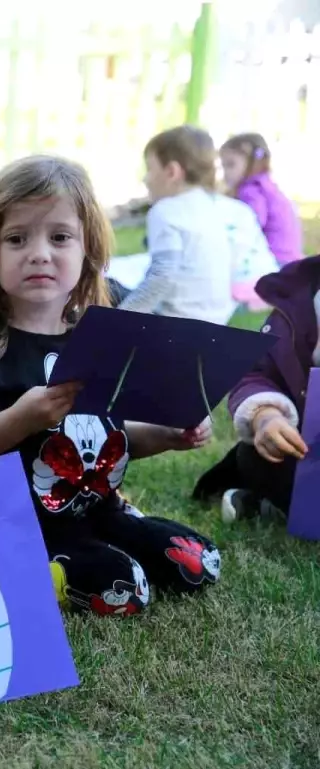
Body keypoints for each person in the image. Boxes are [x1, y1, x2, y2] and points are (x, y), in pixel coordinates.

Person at [0, 155, 221, 619]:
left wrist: (167, 435)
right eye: (17, 239)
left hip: (99, 509)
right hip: (21, 523)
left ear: (86, 249)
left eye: (59, 237)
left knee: (199, 562)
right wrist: (21, 419)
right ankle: (26, 569)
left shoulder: (98, 335)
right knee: (124, 589)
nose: (40, 253)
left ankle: (106, 541)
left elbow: (104, 435)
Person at [193, 254, 320, 523]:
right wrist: (266, 415)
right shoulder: (300, 302)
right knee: (258, 457)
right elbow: (258, 372)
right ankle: (283, 504)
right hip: (310, 456)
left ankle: (266, 507)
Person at [118, 125, 236, 325]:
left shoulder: (165, 211)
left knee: (107, 288)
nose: (145, 179)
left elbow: (162, 276)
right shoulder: (212, 205)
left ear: (172, 172)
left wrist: (120, 317)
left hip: (177, 326)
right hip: (217, 324)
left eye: (149, 169)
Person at [220, 133, 304, 267]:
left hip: (275, 260)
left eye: (231, 165)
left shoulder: (251, 190)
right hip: (290, 258)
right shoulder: (266, 185)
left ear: (253, 163)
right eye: (223, 166)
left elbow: (251, 224)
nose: (225, 173)